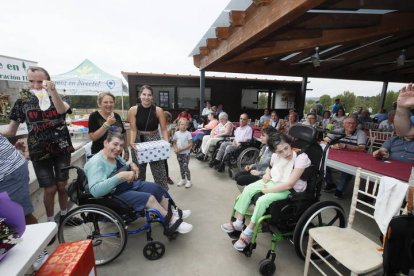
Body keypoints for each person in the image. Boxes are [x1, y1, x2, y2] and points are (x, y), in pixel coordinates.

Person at [1, 66, 74, 225]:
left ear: (48, 80)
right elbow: (11, 130)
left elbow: (61, 109)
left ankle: (64, 216)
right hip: (38, 151)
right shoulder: (22, 101)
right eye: (31, 81)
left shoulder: (62, 97)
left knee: (62, 186)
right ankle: (49, 223)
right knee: (50, 189)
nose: (35, 85)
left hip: (62, 147)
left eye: (40, 81)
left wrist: (52, 91)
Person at [84, 131, 193, 234]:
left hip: (126, 185)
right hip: (113, 195)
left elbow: (124, 164)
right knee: (149, 198)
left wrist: (132, 165)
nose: (118, 149)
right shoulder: (96, 163)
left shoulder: (114, 156)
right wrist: (120, 176)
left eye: (121, 146)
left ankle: (173, 212)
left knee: (156, 188)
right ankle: (172, 221)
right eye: (115, 144)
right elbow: (96, 191)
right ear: (106, 143)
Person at [221, 133, 311, 251]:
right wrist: (268, 174)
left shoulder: (301, 158)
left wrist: (268, 190)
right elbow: (270, 167)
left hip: (290, 189)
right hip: (275, 181)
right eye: (280, 152)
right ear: (275, 152)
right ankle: (238, 222)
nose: (286, 153)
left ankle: (248, 232)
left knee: (262, 200)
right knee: (248, 189)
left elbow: (289, 184)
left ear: (289, 144)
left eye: (286, 148)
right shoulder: (275, 156)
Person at [0, 135, 49, 270]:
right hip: (7, 171)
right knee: (6, 220)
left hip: (9, 173)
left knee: (22, 215)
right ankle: (17, 250)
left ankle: (40, 251)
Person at [128, 85, 169, 190]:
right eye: (144, 94)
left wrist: (166, 143)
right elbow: (133, 129)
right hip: (138, 140)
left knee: (159, 171)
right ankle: (141, 194)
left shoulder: (158, 110)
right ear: (140, 95)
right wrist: (131, 143)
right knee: (139, 171)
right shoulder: (133, 110)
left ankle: (164, 195)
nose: (146, 97)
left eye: (149, 95)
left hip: (154, 140)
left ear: (152, 97)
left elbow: (164, 129)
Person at [323, 116, 367, 199]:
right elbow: (324, 140)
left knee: (348, 170)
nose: (351, 125)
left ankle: (340, 190)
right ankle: (330, 184)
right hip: (337, 156)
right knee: (323, 162)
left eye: (353, 123)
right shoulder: (337, 131)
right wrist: (332, 145)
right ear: (343, 124)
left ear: (356, 124)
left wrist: (345, 146)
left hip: (353, 158)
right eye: (348, 123)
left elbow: (362, 148)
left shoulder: (361, 133)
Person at [88, 92, 127, 158]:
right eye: (105, 102)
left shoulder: (117, 116)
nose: (109, 104)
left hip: (116, 154)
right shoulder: (94, 116)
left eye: (111, 102)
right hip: (100, 155)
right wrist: (107, 124)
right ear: (99, 104)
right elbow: (93, 137)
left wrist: (125, 150)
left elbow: (123, 134)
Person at [172, 118, 193, 188]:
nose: (184, 126)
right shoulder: (176, 133)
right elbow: (174, 142)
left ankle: (189, 181)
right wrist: (175, 149)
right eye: (182, 124)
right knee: (181, 167)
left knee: (185, 166)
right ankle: (183, 179)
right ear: (178, 125)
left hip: (186, 153)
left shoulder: (188, 133)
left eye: (185, 125)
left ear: (187, 126)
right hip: (179, 153)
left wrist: (181, 150)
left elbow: (190, 144)